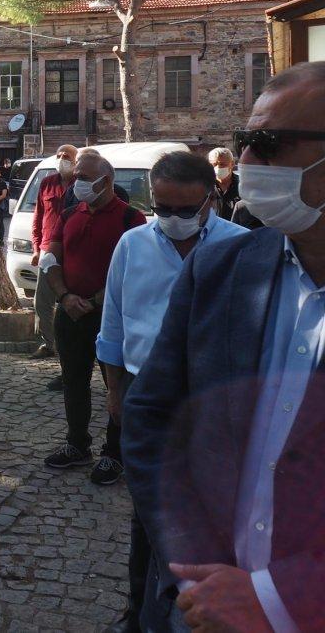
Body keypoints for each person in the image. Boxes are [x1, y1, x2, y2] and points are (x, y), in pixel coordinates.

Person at [124, 61, 325, 633]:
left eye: (268, 144)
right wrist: (191, 566)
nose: (246, 164)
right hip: (194, 605)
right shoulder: (221, 270)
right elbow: (153, 417)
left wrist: (278, 597)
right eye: (243, 143)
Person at [96, 151, 248, 633]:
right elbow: (113, 327)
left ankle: (203, 602)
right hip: (146, 391)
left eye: (186, 210)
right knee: (147, 511)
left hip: (213, 394)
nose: (174, 220)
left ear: (210, 199)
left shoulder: (243, 247)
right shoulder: (132, 245)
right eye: (163, 208)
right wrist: (116, 392)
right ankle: (140, 608)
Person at [39, 153, 145, 480]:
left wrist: (98, 300)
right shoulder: (69, 213)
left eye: (84, 177)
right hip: (70, 314)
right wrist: (65, 296)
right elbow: (49, 258)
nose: (77, 183)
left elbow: (133, 270)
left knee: (117, 386)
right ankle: (77, 444)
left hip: (110, 318)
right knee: (74, 381)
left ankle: (114, 453)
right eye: (76, 177)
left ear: (106, 180)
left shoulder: (131, 218)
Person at [30, 144, 78, 367]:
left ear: (75, 160)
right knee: (42, 301)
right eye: (58, 156)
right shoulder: (47, 183)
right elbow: (38, 217)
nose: (61, 159)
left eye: (66, 156)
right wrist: (36, 248)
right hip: (48, 250)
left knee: (69, 299)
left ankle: (72, 345)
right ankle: (49, 343)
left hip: (73, 251)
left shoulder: (82, 184)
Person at [208, 145, 241, 221]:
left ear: (232, 164)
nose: (218, 168)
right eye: (214, 164)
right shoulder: (205, 186)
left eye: (222, 164)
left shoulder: (242, 185)